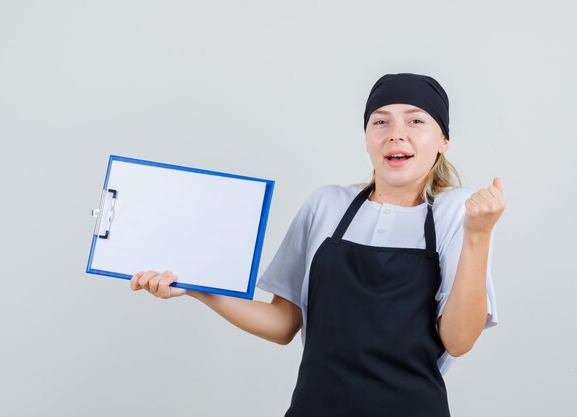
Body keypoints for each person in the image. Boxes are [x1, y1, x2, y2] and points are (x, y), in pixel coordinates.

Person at [130, 72, 505, 416]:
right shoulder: (326, 204)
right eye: (381, 121)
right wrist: (196, 287)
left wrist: (478, 236)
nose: (396, 133)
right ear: (367, 139)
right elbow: (282, 324)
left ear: (443, 141)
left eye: (415, 120)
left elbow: (457, 340)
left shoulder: (458, 211)